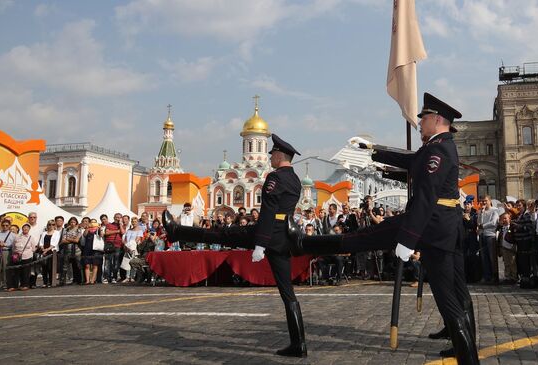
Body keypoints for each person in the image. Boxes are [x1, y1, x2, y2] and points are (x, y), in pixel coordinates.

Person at [288, 93, 478, 364]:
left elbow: (425, 195)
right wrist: (372, 149)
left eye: (423, 118)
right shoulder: (439, 146)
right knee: (454, 299)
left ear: (437, 120)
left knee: (366, 239)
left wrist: (409, 239)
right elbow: (412, 162)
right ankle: (305, 245)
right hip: (440, 226)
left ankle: (304, 245)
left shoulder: (438, 150)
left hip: (430, 226)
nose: (420, 123)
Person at [162, 133, 307, 357]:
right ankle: (299, 344)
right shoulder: (295, 179)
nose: (270, 157)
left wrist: (260, 244)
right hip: (284, 236)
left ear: (279, 155)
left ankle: (177, 231)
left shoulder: (274, 178)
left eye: (273, 154)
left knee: (223, 234)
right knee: (288, 293)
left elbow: (268, 212)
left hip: (268, 234)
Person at [477, 195, 499, 283]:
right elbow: (479, 223)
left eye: (485, 200)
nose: (484, 202)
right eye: (482, 201)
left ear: (490, 201)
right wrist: (481, 213)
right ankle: (487, 276)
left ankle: (494, 276)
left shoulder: (494, 210)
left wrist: (483, 226)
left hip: (491, 235)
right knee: (484, 257)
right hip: (483, 235)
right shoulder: (481, 211)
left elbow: (494, 222)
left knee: (491, 257)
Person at [10, 223, 36, 291]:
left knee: (25, 272)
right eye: (24, 228)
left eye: (27, 228)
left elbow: (33, 248)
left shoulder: (31, 237)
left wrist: (27, 253)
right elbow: (13, 246)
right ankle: (15, 285)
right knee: (16, 271)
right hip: (17, 256)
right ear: (22, 229)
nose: (25, 229)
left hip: (27, 256)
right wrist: (15, 253)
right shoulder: (17, 236)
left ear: (29, 229)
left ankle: (24, 285)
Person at [36, 220, 60, 287]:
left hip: (52, 251)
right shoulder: (44, 233)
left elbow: (55, 243)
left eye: (53, 224)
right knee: (44, 267)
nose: (51, 226)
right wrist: (42, 248)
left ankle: (51, 282)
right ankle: (45, 282)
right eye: (49, 224)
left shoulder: (56, 233)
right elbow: (41, 242)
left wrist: (47, 249)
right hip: (44, 251)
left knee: (51, 267)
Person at [81, 219, 103, 285]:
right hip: (87, 248)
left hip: (95, 249)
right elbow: (84, 235)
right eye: (92, 222)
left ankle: (93, 280)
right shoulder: (87, 229)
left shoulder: (97, 230)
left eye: (94, 222)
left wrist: (100, 228)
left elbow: (101, 235)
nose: (93, 224)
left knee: (95, 265)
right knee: (87, 265)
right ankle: (87, 280)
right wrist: (87, 228)